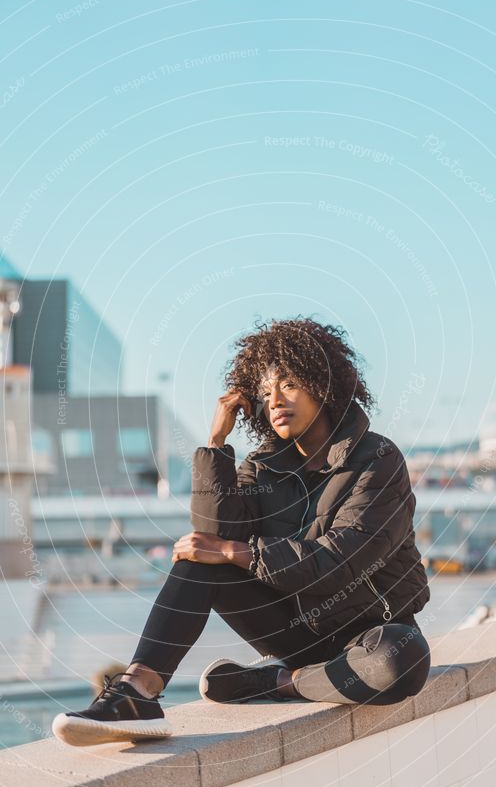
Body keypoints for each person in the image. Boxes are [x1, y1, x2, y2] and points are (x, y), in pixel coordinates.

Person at [52, 316, 431, 747]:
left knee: (402, 663)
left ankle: (278, 682)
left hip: (372, 632)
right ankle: (136, 691)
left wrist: (236, 553)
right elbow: (215, 536)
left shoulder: (376, 459)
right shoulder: (262, 467)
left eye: (288, 384)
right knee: (198, 559)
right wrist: (215, 446)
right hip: (296, 630)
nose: (275, 400)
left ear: (321, 383)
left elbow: (336, 563)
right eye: (265, 391)